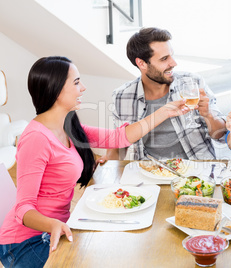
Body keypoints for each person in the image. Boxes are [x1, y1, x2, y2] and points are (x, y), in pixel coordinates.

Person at [0, 56, 188, 267]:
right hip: (27, 242)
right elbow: (23, 208)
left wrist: (165, 111)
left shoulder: (68, 126)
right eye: (77, 82)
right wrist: (53, 224)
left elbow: (120, 137)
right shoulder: (35, 138)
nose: (83, 88)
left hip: (59, 228)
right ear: (56, 89)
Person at [98, 27, 226, 162]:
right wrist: (108, 161)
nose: (173, 63)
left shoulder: (192, 82)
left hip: (198, 170)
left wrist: (209, 115)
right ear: (141, 63)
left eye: (172, 55)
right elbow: (120, 145)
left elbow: (221, 135)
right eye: (164, 59)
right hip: (151, 173)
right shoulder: (123, 96)